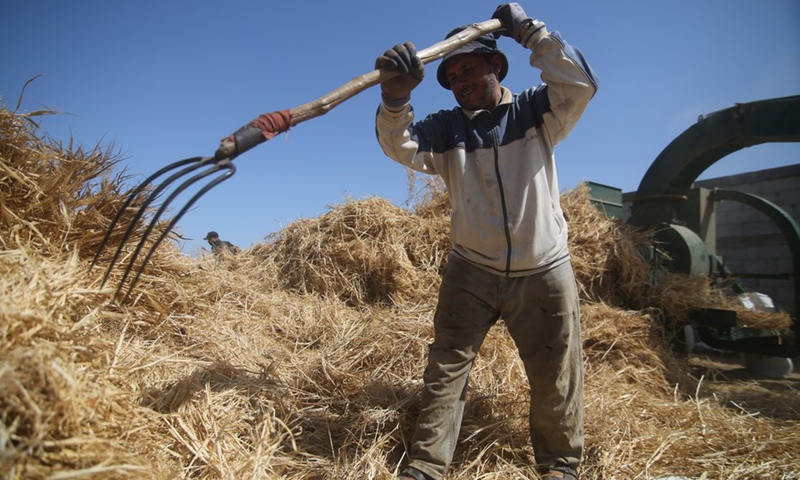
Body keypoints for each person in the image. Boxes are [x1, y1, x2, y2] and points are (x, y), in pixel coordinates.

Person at [374, 4, 597, 480]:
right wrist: (394, 99)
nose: (460, 82)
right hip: (470, 268)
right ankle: (426, 465)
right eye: (452, 76)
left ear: (496, 66)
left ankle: (560, 466)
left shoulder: (538, 111)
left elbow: (580, 84)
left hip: (543, 268)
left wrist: (527, 30)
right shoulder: (445, 128)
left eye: (469, 69)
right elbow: (399, 144)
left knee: (554, 372)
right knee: (446, 369)